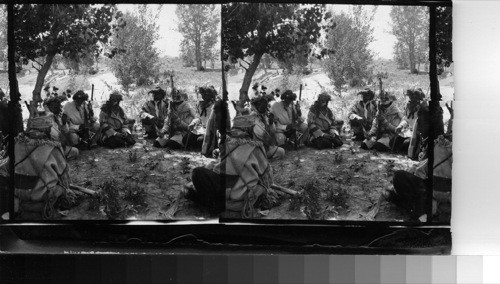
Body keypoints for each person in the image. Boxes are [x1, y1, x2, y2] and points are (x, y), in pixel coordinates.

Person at [185, 110, 278, 218]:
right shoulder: (258, 147)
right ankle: (218, 203)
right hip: (251, 192)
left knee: (197, 173)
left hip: (235, 193)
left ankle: (217, 206)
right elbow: (266, 177)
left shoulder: (236, 144)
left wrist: (214, 168)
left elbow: (225, 170)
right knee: (195, 187)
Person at [0, 114, 77, 219]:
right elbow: (65, 179)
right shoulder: (53, 148)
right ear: (48, 129)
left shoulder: (16, 144)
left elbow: (4, 169)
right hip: (42, 198)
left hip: (19, 198)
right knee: (63, 185)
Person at [250, 95, 284, 159]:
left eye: (264, 104)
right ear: (256, 106)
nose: (263, 107)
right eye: (260, 104)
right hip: (256, 147)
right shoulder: (252, 117)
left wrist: (271, 123)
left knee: (281, 152)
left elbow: (272, 131)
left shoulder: (264, 115)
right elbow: (260, 134)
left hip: (265, 146)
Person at [405, 88, 427, 159]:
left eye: (415, 98)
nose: (412, 99)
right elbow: (407, 118)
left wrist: (423, 107)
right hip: (411, 129)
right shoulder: (409, 105)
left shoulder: (421, 107)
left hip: (418, 130)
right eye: (411, 97)